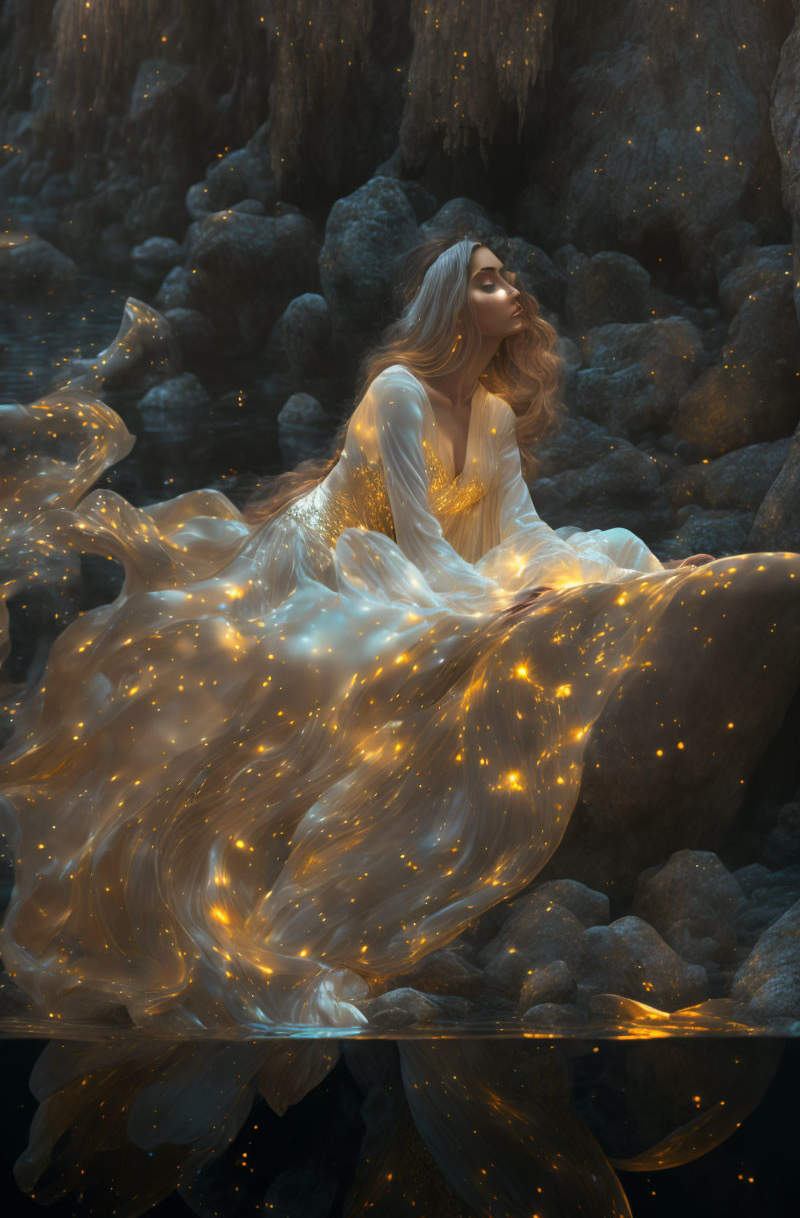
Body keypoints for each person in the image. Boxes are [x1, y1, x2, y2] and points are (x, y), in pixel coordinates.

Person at [0, 233, 796, 1051]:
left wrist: (640, 579)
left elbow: (521, 528)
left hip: (418, 561)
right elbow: (413, 539)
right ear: (454, 308)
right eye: (489, 282)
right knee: (359, 661)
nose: (511, 290)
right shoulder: (398, 394)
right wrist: (484, 610)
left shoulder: (489, 412)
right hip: (328, 558)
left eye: (508, 278)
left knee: (614, 550)